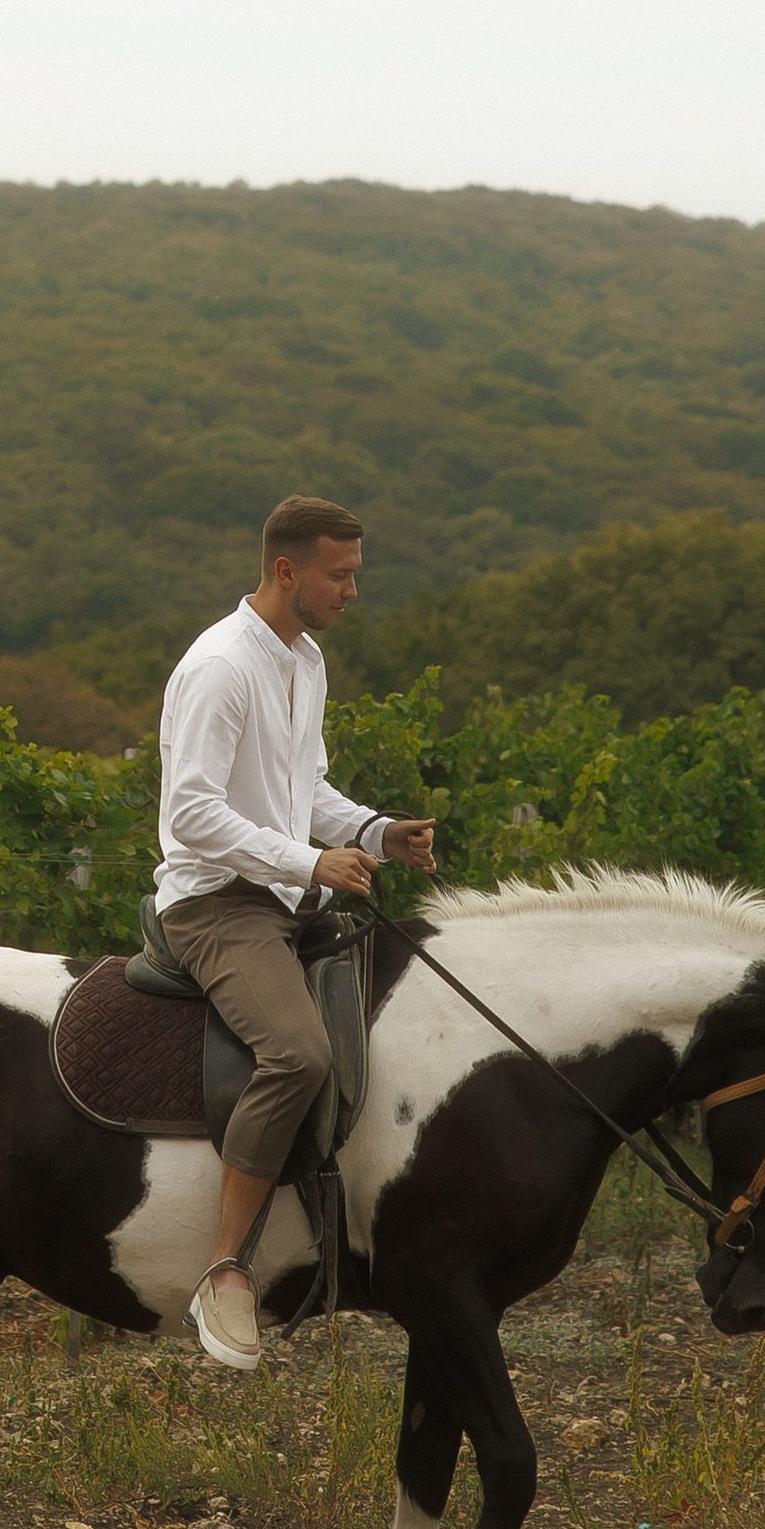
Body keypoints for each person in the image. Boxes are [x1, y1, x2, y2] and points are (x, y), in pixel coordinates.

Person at [155, 495, 437, 1372]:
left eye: (355, 574)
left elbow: (303, 790)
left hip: (286, 897)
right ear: (287, 571)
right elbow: (191, 813)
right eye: (339, 575)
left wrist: (374, 833)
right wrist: (309, 862)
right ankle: (225, 1268)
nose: (353, 591)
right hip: (216, 905)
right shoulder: (220, 667)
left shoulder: (304, 659)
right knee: (299, 1053)